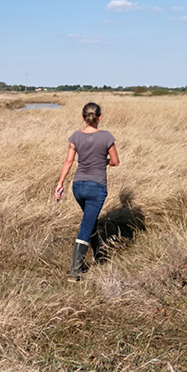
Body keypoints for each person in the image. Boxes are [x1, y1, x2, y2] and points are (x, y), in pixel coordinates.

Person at [55, 102, 120, 281]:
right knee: (86, 225)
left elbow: (68, 162)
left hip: (78, 186)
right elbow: (115, 162)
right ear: (99, 118)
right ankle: (75, 270)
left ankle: (100, 254)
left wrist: (60, 183)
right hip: (96, 187)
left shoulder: (75, 136)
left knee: (89, 220)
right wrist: (103, 162)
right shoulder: (106, 137)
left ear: (83, 118)